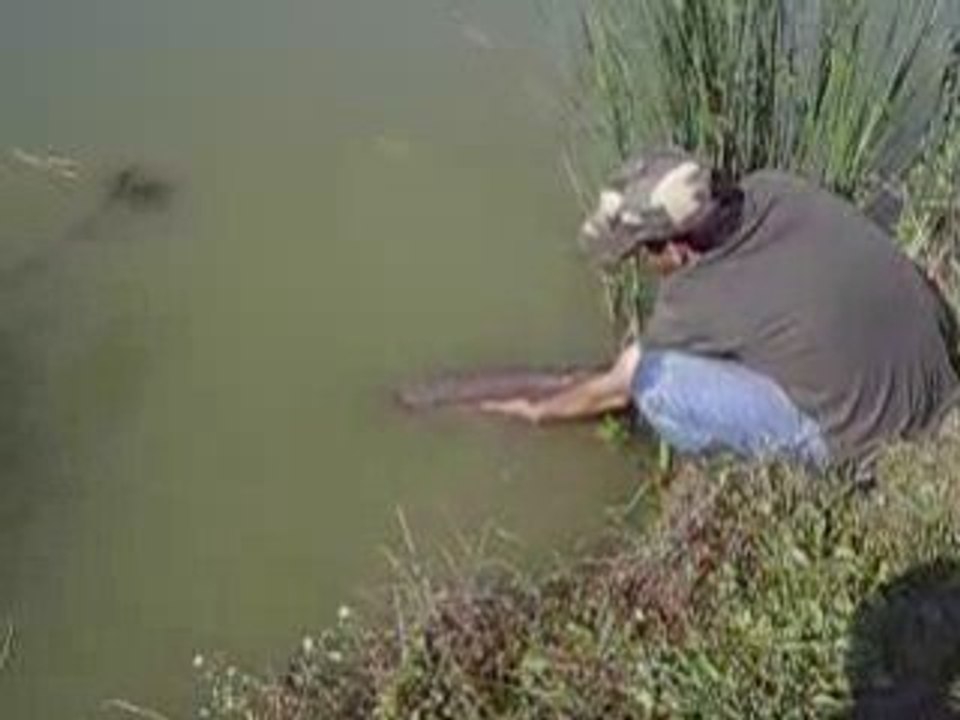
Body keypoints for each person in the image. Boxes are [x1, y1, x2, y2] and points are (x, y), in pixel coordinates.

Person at [482, 148, 960, 468]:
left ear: (680, 247)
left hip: (871, 439)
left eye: (646, 251)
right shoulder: (772, 188)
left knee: (655, 385)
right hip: (933, 369)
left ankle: (799, 463)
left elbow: (616, 386)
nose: (646, 264)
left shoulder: (693, 300)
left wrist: (535, 411)